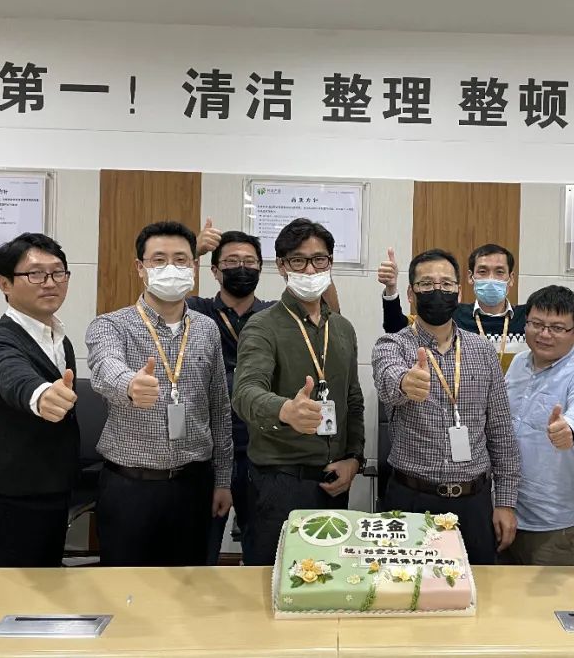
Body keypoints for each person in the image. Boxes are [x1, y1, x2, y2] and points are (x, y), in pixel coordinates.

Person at [86, 221, 233, 566]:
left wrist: (223, 480)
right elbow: (105, 365)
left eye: (181, 260)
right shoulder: (111, 325)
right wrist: (129, 385)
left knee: (188, 584)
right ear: (141, 268)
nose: (171, 268)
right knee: (126, 587)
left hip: (193, 485)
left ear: (194, 266)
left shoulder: (207, 329)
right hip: (130, 486)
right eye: (159, 260)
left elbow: (219, 409)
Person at [372, 248, 519, 565]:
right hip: (411, 499)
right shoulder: (393, 344)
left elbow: (501, 432)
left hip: (474, 501)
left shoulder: (481, 349)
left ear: (459, 292)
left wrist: (506, 502)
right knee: (406, 587)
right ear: (411, 294)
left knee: (479, 588)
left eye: (446, 284)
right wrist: (405, 382)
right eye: (426, 284)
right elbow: (387, 380)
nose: (437, 291)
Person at [232, 218, 365, 566]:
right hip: (280, 483)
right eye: (298, 260)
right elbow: (245, 391)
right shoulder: (262, 326)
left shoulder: (342, 329)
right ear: (281, 266)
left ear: (330, 263)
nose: (310, 269)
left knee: (331, 578)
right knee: (274, 581)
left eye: (319, 260)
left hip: (334, 480)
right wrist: (285, 411)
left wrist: (355, 458)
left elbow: (353, 399)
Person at [0, 233, 79, 567]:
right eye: (35, 274)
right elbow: (8, 375)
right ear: (4, 283)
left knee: (45, 597)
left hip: (50, 501)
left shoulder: (59, 340)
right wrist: (40, 395)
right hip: (4, 511)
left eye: (58, 272)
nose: (50, 282)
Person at [377, 244, 574, 369]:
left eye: (499, 272)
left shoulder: (530, 319)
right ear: (470, 278)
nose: (491, 278)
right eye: (483, 271)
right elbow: (397, 328)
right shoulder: (452, 316)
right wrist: (391, 289)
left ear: (510, 279)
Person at [188, 227, 275, 565]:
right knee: (201, 550)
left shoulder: (274, 316)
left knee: (262, 549)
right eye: (232, 261)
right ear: (214, 270)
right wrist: (193, 252)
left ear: (260, 269)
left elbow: (326, 315)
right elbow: (154, 303)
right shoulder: (194, 311)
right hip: (208, 448)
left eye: (249, 262)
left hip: (260, 448)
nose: (242, 268)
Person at [501, 285, 574, 566]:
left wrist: (569, 428)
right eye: (536, 324)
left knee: (551, 596)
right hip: (506, 512)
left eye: (557, 328)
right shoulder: (519, 363)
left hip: (555, 526)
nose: (544, 334)